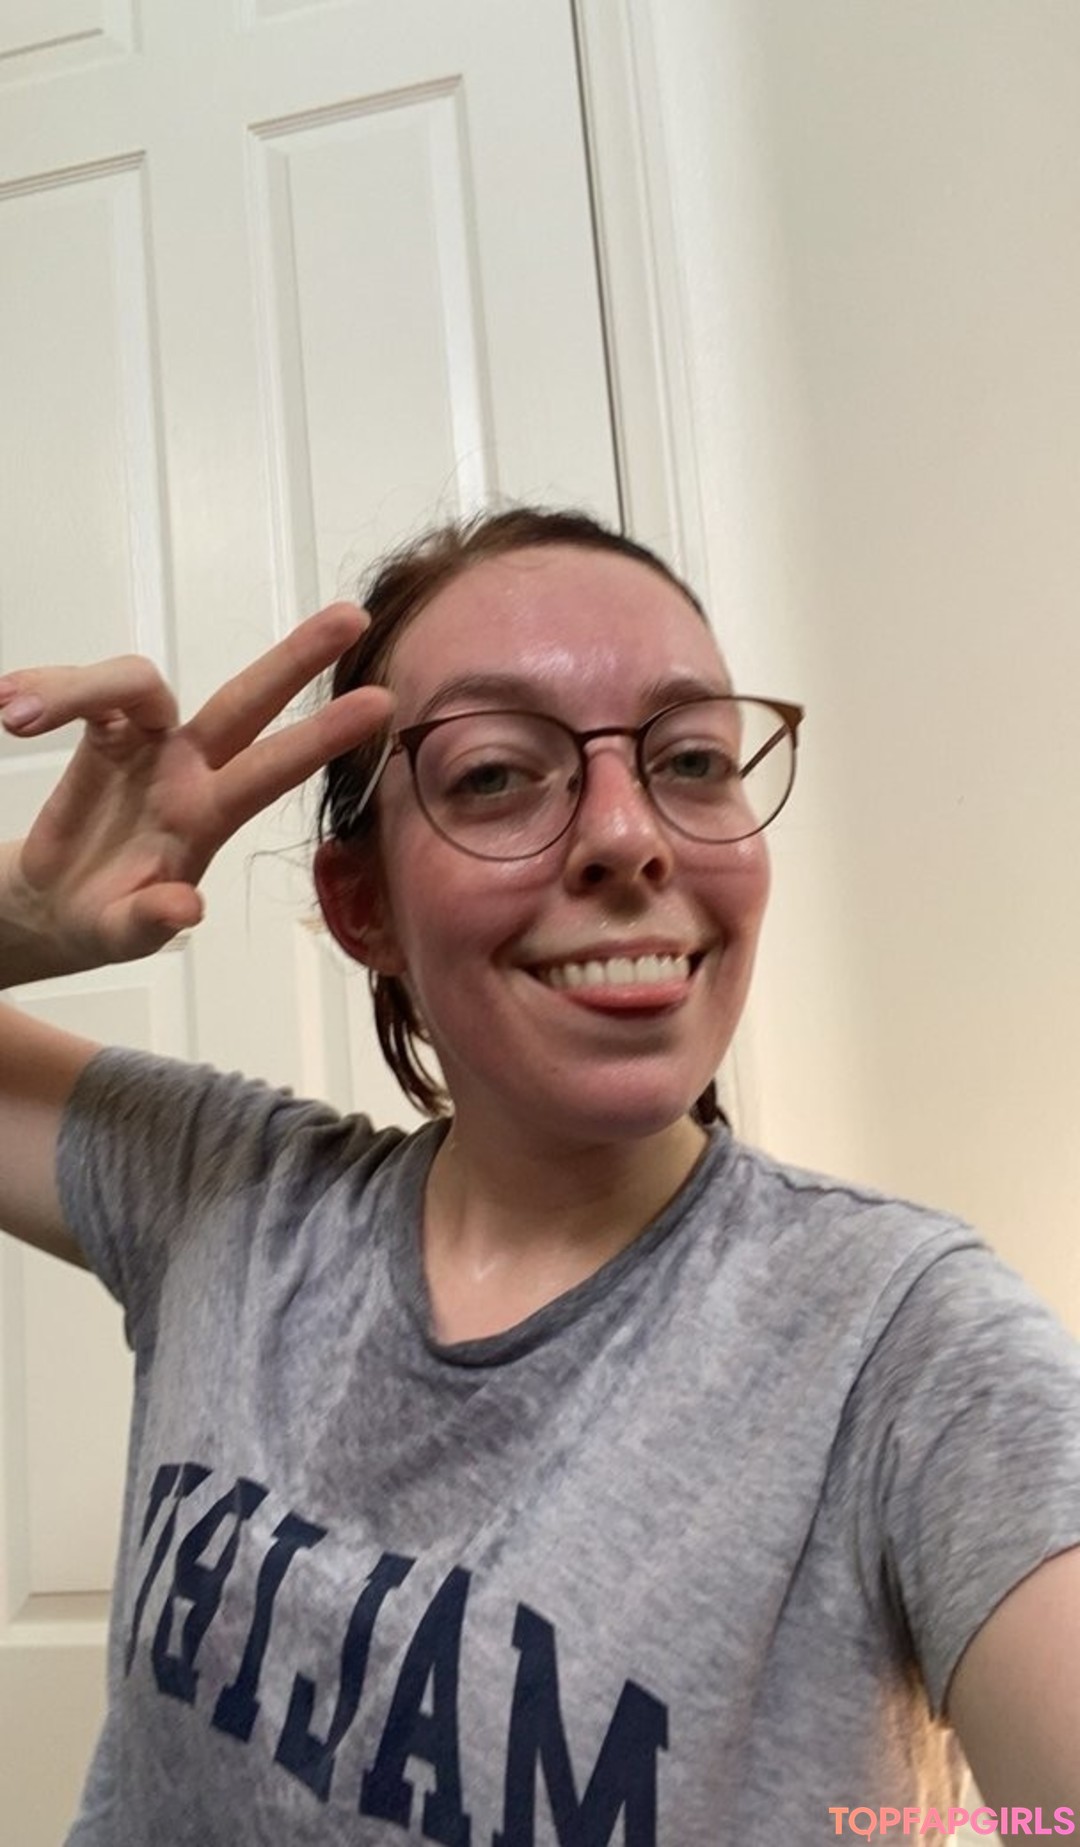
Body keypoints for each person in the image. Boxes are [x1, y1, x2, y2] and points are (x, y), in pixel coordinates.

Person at [0, 506, 1078, 1846]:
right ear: (364, 906)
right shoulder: (225, 1199)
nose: (629, 835)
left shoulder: (913, 1352)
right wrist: (21, 916)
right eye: (498, 773)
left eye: (692, 758)